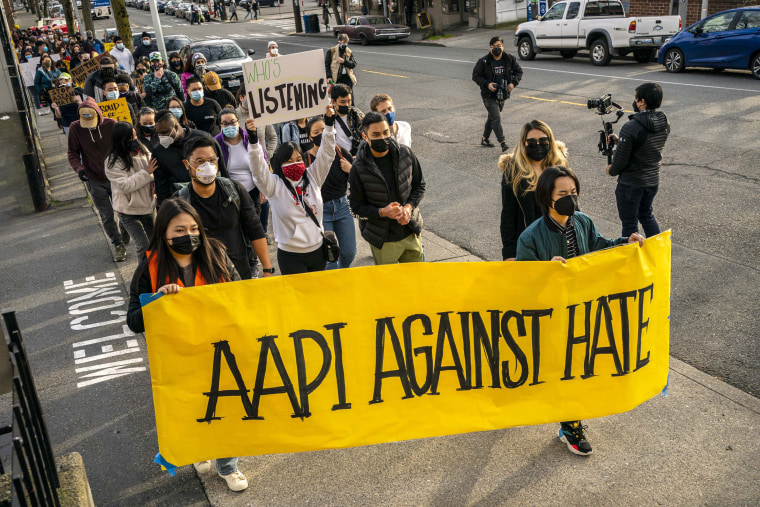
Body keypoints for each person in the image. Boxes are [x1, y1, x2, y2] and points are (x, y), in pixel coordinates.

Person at [515, 166, 644, 456]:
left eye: (573, 193)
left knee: (576, 370)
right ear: (547, 197)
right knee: (564, 372)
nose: (570, 199)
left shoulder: (582, 222)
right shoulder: (530, 237)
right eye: (563, 194)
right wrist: (545, 272)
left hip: (582, 310)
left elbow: (600, 247)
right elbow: (521, 283)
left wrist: (626, 243)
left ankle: (569, 421)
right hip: (552, 316)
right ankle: (571, 425)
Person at [125, 198, 249, 493]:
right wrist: (158, 302)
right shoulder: (148, 269)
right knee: (195, 408)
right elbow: (133, 320)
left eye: (193, 228)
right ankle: (198, 450)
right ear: (163, 234)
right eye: (179, 230)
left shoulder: (217, 254)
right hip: (179, 357)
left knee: (227, 408)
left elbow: (242, 296)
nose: (188, 235)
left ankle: (228, 465)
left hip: (222, 350)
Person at [244, 104, 337, 275]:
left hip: (318, 251)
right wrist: (253, 141)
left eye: (298, 158)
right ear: (279, 164)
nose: (295, 163)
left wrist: (330, 126)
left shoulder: (313, 176)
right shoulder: (273, 185)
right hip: (291, 256)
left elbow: (327, 154)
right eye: (288, 161)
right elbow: (258, 171)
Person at [175, 136, 273, 280]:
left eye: (211, 160)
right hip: (203, 277)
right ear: (186, 164)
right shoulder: (181, 202)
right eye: (200, 161)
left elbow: (255, 229)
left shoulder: (234, 190)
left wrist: (267, 269)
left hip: (240, 272)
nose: (207, 166)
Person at [348, 112, 426, 264]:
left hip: (411, 231)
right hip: (383, 240)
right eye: (375, 135)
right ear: (365, 137)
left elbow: (419, 185)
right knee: (390, 286)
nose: (382, 138)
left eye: (386, 133)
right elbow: (355, 208)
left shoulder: (406, 153)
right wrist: (383, 212)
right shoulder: (358, 168)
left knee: (417, 283)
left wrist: (408, 208)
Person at [606, 82, 669, 238]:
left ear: (642, 102)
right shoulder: (664, 124)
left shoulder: (631, 127)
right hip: (652, 181)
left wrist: (611, 170)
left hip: (631, 185)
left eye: (636, 98)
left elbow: (620, 162)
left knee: (630, 224)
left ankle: (633, 259)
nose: (634, 102)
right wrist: (621, 140)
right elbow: (645, 145)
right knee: (647, 216)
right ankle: (656, 253)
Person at [499, 120, 569, 260]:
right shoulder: (513, 172)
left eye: (543, 141)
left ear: (550, 141)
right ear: (523, 143)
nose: (538, 146)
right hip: (529, 245)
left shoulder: (559, 167)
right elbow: (508, 215)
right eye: (532, 142)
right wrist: (509, 253)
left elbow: (572, 205)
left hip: (559, 241)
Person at [67, 98, 127, 261]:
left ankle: (125, 227)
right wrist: (79, 169)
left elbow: (123, 146)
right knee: (107, 215)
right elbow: (72, 152)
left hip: (115, 176)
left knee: (122, 209)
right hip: (94, 178)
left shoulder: (111, 124)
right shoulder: (75, 128)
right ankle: (117, 244)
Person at [305, 115, 356, 269]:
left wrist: (351, 170)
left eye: (324, 130)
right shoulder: (305, 159)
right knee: (330, 258)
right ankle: (333, 285)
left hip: (342, 207)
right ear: (309, 136)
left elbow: (358, 181)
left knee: (349, 252)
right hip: (321, 211)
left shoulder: (342, 153)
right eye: (316, 132)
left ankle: (341, 275)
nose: (321, 134)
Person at [152, 110, 229, 204]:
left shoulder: (204, 138)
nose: (162, 137)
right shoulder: (159, 151)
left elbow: (222, 167)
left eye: (165, 132)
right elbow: (161, 186)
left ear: (176, 127)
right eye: (159, 133)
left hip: (212, 196)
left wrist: (227, 195)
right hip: (183, 203)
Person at [105, 121, 156, 258]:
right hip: (127, 211)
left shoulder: (143, 150)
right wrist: (146, 173)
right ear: (121, 140)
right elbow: (125, 186)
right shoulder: (112, 162)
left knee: (155, 244)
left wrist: (154, 180)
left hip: (148, 206)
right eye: (130, 138)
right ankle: (142, 279)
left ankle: (156, 275)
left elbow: (154, 167)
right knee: (143, 247)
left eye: (135, 136)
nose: (134, 140)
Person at [472, 36, 523, 152]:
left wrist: (513, 84)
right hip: (488, 95)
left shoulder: (510, 59)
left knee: (492, 117)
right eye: (493, 47)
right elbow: (475, 76)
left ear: (503, 46)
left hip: (503, 94)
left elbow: (519, 71)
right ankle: (502, 142)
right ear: (490, 48)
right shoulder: (483, 61)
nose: (496, 49)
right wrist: (487, 84)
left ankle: (485, 138)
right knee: (496, 117)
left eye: (498, 46)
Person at [330, 84, 363, 156]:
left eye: (349, 101)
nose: (347, 104)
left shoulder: (357, 115)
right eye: (342, 102)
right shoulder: (327, 117)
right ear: (333, 101)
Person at [325, 34, 357, 99]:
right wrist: (329, 77)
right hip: (337, 78)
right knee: (338, 98)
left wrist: (344, 61)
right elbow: (327, 65)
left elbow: (353, 64)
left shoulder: (348, 51)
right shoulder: (331, 51)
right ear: (339, 41)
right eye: (343, 42)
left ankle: (350, 108)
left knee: (349, 98)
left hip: (347, 78)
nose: (345, 44)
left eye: (346, 42)